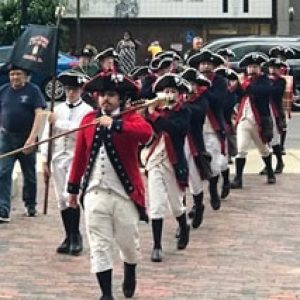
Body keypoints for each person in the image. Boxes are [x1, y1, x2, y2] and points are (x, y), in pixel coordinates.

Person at [67, 72, 153, 300]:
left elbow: (146, 134)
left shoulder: (131, 118)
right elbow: (79, 157)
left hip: (125, 194)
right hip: (95, 192)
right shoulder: (88, 120)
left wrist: (115, 124)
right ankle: (106, 294)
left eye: (111, 95)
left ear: (121, 98)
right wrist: (73, 190)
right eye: (102, 94)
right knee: (99, 244)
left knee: (128, 243)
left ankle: (130, 270)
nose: (105, 99)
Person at [41, 70, 92, 255]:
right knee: (60, 199)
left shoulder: (87, 110)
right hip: (57, 157)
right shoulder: (58, 109)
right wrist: (44, 159)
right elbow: (48, 135)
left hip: (75, 158)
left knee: (71, 195)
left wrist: (59, 123)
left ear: (80, 90)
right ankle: (68, 235)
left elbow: (81, 131)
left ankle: (76, 235)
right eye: (69, 89)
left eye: (75, 90)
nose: (71, 93)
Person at [145, 73, 191, 263]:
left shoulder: (184, 112)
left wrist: (153, 114)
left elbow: (174, 128)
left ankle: (184, 224)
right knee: (156, 205)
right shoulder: (155, 111)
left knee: (175, 205)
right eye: (166, 91)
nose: (169, 95)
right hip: (155, 162)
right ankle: (156, 246)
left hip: (174, 163)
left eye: (173, 92)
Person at [0, 65, 47, 222]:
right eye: (12, 74)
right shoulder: (4, 90)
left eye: (18, 74)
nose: (14, 77)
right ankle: (3, 208)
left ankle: (30, 204)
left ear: (26, 75)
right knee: (3, 172)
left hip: (26, 138)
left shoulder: (33, 91)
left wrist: (32, 138)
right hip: (6, 138)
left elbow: (40, 114)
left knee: (29, 174)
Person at [187, 50, 227, 209]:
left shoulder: (220, 82)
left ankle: (213, 188)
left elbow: (218, 101)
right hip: (194, 130)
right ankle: (197, 202)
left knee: (214, 162)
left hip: (212, 127)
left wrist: (204, 90)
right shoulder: (189, 81)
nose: (206, 67)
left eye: (209, 64)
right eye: (203, 64)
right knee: (193, 166)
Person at [230, 52, 276, 189]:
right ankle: (238, 178)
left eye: (255, 67)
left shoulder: (266, 81)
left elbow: (264, 91)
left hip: (258, 120)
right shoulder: (243, 82)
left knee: (263, 149)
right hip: (243, 119)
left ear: (260, 68)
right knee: (241, 149)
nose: (252, 70)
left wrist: (245, 86)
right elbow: (236, 95)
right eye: (250, 67)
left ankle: (270, 171)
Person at [181, 67, 211, 228]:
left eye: (192, 84)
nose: (189, 87)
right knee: (179, 181)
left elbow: (194, 114)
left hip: (193, 145)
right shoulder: (178, 100)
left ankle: (199, 205)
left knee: (195, 180)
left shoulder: (201, 101)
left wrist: (177, 105)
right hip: (177, 145)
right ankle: (182, 218)